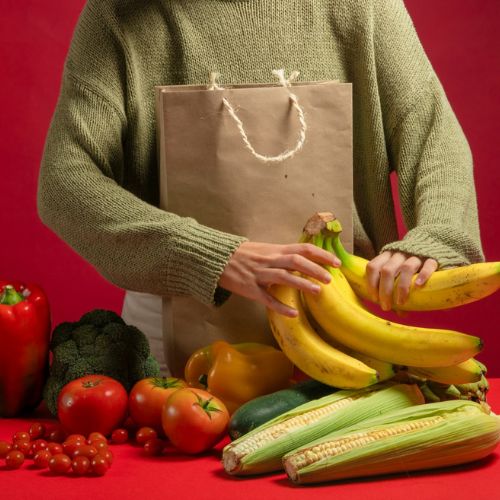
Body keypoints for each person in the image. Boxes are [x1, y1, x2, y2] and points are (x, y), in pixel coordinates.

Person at [37, 0, 483, 372]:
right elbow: (64, 183)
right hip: (173, 341)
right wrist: (210, 255)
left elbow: (431, 134)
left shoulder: (363, 6)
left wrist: (438, 234)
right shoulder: (118, 14)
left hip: (341, 329)